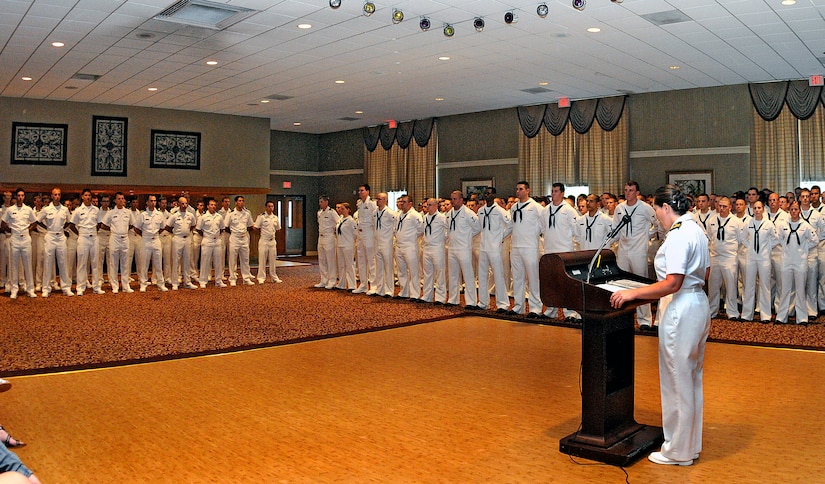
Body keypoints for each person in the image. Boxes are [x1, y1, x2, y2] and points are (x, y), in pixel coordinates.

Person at [609, 184, 710, 466]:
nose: (656, 216)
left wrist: (633, 294)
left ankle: (677, 451)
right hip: (697, 302)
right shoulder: (696, 229)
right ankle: (690, 444)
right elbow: (707, 271)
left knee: (676, 380)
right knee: (691, 379)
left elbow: (672, 282)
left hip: (679, 306)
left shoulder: (678, 235)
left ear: (667, 208)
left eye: (656, 209)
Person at [613, 182, 657, 329]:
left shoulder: (645, 208)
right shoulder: (620, 208)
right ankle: (622, 318)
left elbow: (656, 223)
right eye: (626, 190)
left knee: (641, 283)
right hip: (623, 250)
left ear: (637, 192)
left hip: (639, 250)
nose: (628, 193)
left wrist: (647, 235)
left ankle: (644, 320)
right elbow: (616, 229)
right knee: (621, 284)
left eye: (631, 190)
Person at [509, 181, 543, 317]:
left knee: (533, 278)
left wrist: (535, 235)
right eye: (517, 189)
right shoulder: (513, 208)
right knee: (517, 278)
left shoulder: (536, 207)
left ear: (528, 190)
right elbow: (511, 226)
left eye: (521, 189)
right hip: (516, 246)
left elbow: (543, 224)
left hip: (530, 246)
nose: (518, 192)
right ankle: (519, 306)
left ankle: (535, 308)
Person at [477, 193, 512, 312]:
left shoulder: (500, 210)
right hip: (483, 246)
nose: (487, 196)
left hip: (495, 247)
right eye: (485, 194)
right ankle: (483, 302)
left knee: (498, 274)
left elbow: (510, 225)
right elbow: (479, 227)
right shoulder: (481, 210)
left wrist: (500, 237)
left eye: (489, 193)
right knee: (482, 275)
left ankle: (502, 304)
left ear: (494, 195)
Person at [446, 190, 480, 309]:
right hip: (452, 247)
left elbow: (477, 227)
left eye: (455, 199)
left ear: (461, 200)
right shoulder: (449, 213)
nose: (452, 201)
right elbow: (448, 228)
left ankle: (471, 301)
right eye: (452, 199)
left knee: (468, 275)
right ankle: (453, 299)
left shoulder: (468, 213)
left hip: (464, 248)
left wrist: (467, 237)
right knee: (453, 274)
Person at [0, 189, 37, 299]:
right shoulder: (11, 210)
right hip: (15, 238)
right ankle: (14, 289)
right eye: (19, 195)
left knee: (27, 265)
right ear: (16, 197)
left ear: (24, 197)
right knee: (14, 265)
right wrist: (11, 230)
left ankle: (30, 289)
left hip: (25, 238)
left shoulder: (28, 209)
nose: (20, 197)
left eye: (22, 195)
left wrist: (28, 230)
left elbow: (34, 222)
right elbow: (3, 223)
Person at [38, 188, 74, 297]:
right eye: (55, 195)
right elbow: (37, 221)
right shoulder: (46, 209)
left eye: (58, 194)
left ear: (60, 196)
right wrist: (47, 228)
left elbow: (70, 222)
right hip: (50, 236)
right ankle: (46, 288)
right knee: (48, 262)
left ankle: (66, 287)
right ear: (51, 196)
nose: (57, 196)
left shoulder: (64, 209)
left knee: (63, 263)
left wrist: (63, 229)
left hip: (61, 237)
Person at [69, 188, 104, 295]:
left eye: (89, 195)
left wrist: (93, 231)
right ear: (82, 197)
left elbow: (99, 224)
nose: (88, 197)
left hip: (93, 237)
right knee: (82, 263)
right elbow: (71, 225)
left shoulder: (96, 210)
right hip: (83, 237)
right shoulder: (78, 211)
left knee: (95, 263)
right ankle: (80, 287)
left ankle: (96, 287)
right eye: (86, 195)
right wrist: (80, 233)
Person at [134, 194, 168, 292]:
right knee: (144, 263)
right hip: (146, 240)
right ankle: (143, 284)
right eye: (151, 201)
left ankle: (160, 283)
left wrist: (155, 235)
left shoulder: (159, 215)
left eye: (154, 201)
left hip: (156, 239)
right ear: (147, 202)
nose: (153, 203)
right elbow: (136, 228)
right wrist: (145, 235)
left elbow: (162, 227)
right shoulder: (143, 215)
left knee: (158, 263)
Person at [393, 195, 424, 300]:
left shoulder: (415, 215)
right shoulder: (399, 214)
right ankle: (404, 292)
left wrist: (412, 238)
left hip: (410, 246)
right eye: (401, 202)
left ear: (410, 203)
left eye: (404, 202)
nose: (402, 204)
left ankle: (415, 294)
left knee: (413, 271)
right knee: (401, 270)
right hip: (399, 245)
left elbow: (421, 229)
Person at [165, 196, 198, 290]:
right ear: (179, 204)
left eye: (186, 203)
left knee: (187, 261)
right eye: (182, 203)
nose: (184, 205)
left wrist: (186, 232)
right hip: (177, 239)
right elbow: (167, 227)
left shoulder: (190, 215)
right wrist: (176, 232)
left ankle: (187, 282)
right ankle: (175, 283)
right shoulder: (174, 216)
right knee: (176, 261)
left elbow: (193, 225)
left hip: (187, 239)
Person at [421, 198, 448, 304]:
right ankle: (427, 296)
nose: (428, 207)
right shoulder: (425, 217)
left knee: (440, 272)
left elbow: (448, 229)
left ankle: (440, 297)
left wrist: (443, 240)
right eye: (427, 205)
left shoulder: (441, 217)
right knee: (427, 273)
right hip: (427, 247)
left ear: (436, 206)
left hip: (437, 247)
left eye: (430, 205)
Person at [224, 196, 255, 286]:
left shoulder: (247, 214)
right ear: (236, 202)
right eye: (239, 201)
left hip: (244, 238)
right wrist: (234, 233)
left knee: (245, 259)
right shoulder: (231, 214)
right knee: (232, 259)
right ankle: (232, 278)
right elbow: (226, 227)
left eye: (243, 201)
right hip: (234, 237)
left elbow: (250, 225)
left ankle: (246, 278)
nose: (241, 202)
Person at [196, 198, 226, 288]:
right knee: (205, 261)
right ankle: (203, 281)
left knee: (218, 261)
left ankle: (218, 280)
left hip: (217, 240)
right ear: (208, 206)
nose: (213, 206)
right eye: (211, 205)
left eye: (215, 205)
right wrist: (206, 235)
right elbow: (198, 229)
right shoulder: (203, 217)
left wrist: (215, 236)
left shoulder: (219, 217)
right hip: (207, 240)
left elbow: (221, 228)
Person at [371, 193, 397, 297]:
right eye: (377, 199)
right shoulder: (374, 212)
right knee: (379, 267)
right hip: (377, 243)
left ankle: (389, 290)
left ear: (385, 200)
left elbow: (396, 226)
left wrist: (392, 238)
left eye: (380, 199)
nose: (378, 201)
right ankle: (379, 289)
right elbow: (374, 226)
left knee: (388, 267)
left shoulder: (391, 213)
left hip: (387, 243)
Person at [354, 184, 377, 294]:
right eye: (359, 190)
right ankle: (363, 284)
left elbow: (375, 218)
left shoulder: (372, 203)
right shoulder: (359, 203)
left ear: (367, 191)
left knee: (371, 260)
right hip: (360, 233)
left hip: (369, 233)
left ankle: (373, 285)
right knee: (361, 260)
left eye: (362, 190)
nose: (360, 192)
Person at [253, 200, 282, 284]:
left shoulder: (275, 218)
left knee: (273, 260)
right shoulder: (261, 217)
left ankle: (274, 277)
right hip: (264, 241)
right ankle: (261, 277)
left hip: (272, 241)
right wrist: (262, 235)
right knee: (262, 260)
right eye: (269, 206)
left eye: (272, 206)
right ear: (266, 207)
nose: (271, 208)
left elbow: (278, 229)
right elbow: (256, 228)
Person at [315, 195, 339, 289]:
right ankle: (323, 280)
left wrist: (335, 233)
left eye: (321, 202)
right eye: (319, 202)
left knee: (330, 260)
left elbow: (338, 222)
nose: (320, 204)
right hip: (320, 237)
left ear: (326, 202)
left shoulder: (332, 212)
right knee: (322, 260)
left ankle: (332, 281)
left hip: (329, 237)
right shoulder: (319, 213)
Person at [334, 202, 357, 290]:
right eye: (341, 209)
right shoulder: (340, 219)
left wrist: (351, 242)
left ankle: (352, 285)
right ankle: (341, 284)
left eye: (343, 209)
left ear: (348, 210)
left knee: (349, 265)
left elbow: (355, 234)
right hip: (340, 244)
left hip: (348, 245)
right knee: (341, 265)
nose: (341, 211)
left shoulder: (351, 221)